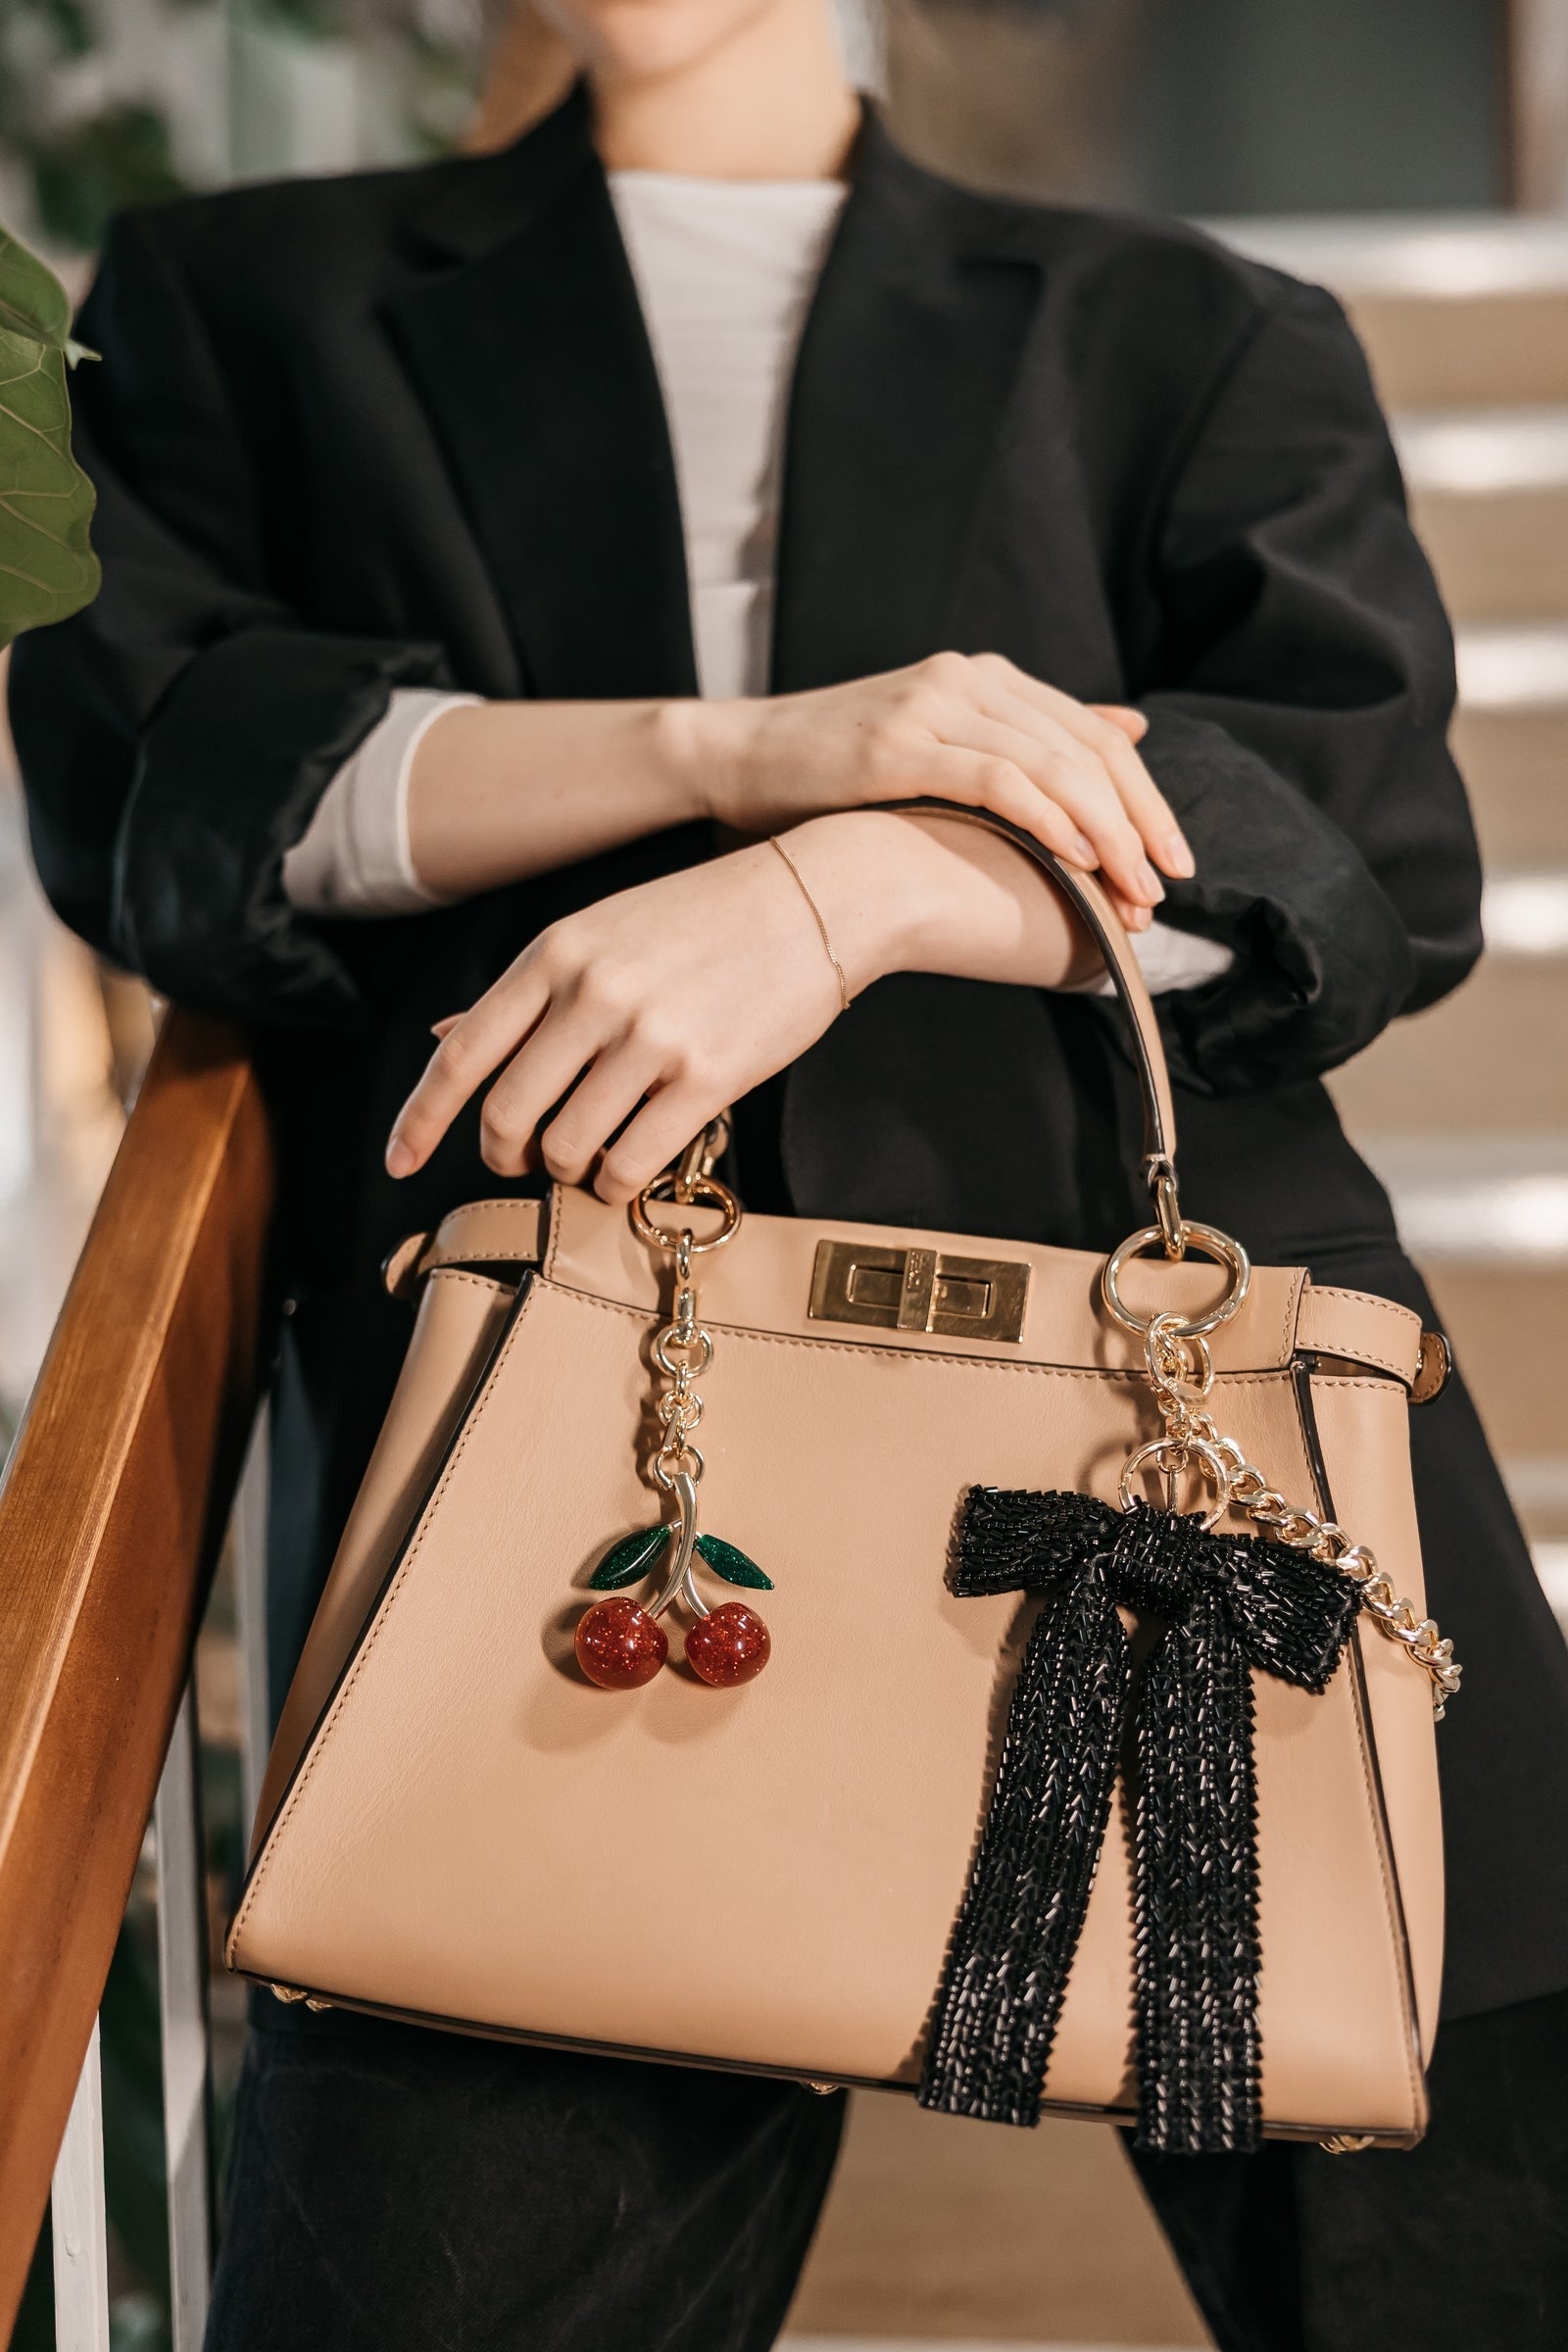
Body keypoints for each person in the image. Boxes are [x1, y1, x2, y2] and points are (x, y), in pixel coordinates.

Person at [12, 2, 1568, 2345]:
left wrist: (848, 889)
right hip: (578, 1483)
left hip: (1177, 1444)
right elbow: (179, 794)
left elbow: (1353, 852)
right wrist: (738, 757)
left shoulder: (1185, 318)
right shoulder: (239, 290)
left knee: (1475, 2270)